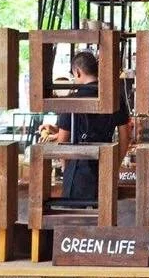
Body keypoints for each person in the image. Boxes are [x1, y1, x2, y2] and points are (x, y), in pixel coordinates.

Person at [40, 52, 128, 201]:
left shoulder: (72, 100)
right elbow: (125, 138)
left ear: (78, 72)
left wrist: (66, 168)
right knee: (104, 219)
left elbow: (63, 142)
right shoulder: (114, 98)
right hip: (106, 168)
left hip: (78, 171)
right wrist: (115, 167)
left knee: (75, 220)